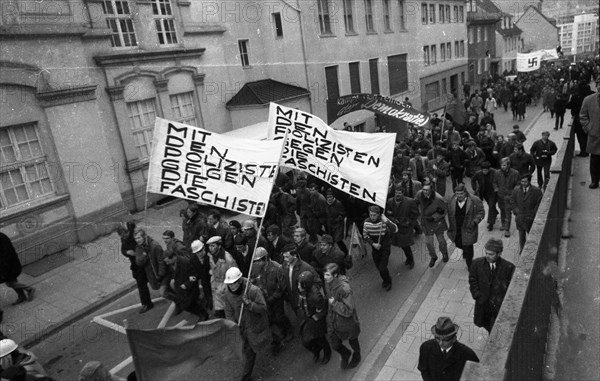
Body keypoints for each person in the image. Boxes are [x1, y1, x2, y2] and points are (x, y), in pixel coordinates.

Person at [223, 267, 270, 381]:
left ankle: (276, 342)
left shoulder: (253, 291)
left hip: (256, 323)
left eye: (234, 283)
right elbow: (228, 311)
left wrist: (249, 304)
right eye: (229, 284)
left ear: (239, 280)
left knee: (265, 338)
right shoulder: (227, 294)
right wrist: (232, 324)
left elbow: (263, 308)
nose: (232, 287)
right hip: (242, 327)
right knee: (249, 352)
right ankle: (246, 377)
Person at [250, 247, 292, 354]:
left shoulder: (277, 268)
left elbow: (281, 286)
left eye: (259, 261)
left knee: (280, 316)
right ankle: (281, 331)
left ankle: (289, 329)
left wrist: (273, 297)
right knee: (272, 317)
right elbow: (253, 280)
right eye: (256, 261)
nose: (257, 263)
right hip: (264, 297)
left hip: (276, 297)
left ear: (266, 258)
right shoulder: (254, 268)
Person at [468, 238, 515, 332]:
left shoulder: (508, 267)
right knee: (487, 325)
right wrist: (477, 295)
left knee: (497, 327)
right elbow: (472, 280)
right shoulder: (477, 264)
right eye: (486, 253)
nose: (487, 256)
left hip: (499, 305)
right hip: (484, 304)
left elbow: (512, 287)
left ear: (499, 254)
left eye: (491, 254)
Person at [324, 263, 361, 370]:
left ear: (335, 275)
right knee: (335, 344)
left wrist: (335, 303)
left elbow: (349, 310)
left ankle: (357, 355)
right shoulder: (328, 283)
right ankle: (346, 354)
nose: (325, 278)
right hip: (334, 320)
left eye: (327, 275)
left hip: (347, 322)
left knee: (353, 339)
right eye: (324, 275)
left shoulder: (344, 289)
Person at [417, 317, 479, 381]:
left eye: (445, 340)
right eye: (438, 338)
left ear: (454, 338)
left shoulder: (467, 355)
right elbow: (423, 369)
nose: (440, 343)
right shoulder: (426, 348)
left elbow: (476, 375)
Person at [446, 184, 485, 269]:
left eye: (461, 193)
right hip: (457, 228)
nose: (459, 196)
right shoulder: (451, 199)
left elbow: (481, 212)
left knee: (468, 247)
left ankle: (470, 264)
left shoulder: (475, 200)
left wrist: (474, 222)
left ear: (466, 193)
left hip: (468, 228)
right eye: (457, 193)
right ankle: (465, 251)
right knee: (459, 243)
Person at [297, 271, 331, 364]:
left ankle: (327, 353)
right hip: (308, 319)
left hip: (316, 322)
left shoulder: (315, 296)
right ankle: (316, 350)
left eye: (300, 284)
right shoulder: (303, 292)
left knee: (321, 338)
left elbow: (323, 308)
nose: (298, 287)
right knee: (306, 341)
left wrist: (316, 317)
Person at [162, 250, 206, 319]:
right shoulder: (172, 263)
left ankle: (203, 314)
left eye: (168, 261)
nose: (167, 263)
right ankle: (201, 314)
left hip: (190, 288)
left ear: (173, 257)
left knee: (187, 305)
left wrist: (186, 284)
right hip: (182, 288)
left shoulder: (185, 262)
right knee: (186, 305)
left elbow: (194, 275)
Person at [362, 206, 398, 291]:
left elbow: (395, 229)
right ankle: (385, 279)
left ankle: (388, 281)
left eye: (374, 215)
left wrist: (387, 221)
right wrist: (373, 244)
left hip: (385, 247)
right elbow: (365, 235)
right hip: (375, 248)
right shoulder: (366, 223)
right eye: (371, 215)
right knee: (379, 267)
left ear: (378, 215)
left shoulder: (384, 221)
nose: (372, 217)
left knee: (382, 267)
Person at [0, 232, 35, 315]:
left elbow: (3, 255)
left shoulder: (1, 238)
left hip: (8, 265)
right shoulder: (2, 235)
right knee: (12, 281)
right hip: (10, 264)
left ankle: (29, 289)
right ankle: (22, 296)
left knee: (10, 283)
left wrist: (2, 270)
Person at [415, 183, 449, 267]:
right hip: (426, 223)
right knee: (428, 242)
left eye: (427, 190)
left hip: (437, 223)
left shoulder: (438, 198)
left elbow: (445, 211)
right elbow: (415, 202)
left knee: (441, 240)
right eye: (423, 189)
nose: (424, 192)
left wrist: (434, 217)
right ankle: (433, 257)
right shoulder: (419, 194)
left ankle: (444, 253)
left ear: (431, 190)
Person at [385, 184, 419, 269]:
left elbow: (415, 214)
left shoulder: (410, 202)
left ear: (403, 193)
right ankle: (408, 259)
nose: (397, 194)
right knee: (402, 245)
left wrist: (409, 223)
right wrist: (392, 220)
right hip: (395, 228)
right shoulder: (390, 201)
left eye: (399, 193)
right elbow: (387, 214)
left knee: (406, 245)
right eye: (396, 192)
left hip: (405, 228)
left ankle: (411, 261)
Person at [133, 228, 166, 313]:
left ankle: (180, 302)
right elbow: (138, 262)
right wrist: (144, 254)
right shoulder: (139, 248)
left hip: (161, 274)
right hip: (152, 274)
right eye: (136, 238)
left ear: (144, 237)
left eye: (139, 238)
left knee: (164, 291)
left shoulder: (155, 246)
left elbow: (161, 261)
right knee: (164, 290)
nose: (137, 240)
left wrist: (161, 274)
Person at [282, 244, 319, 316]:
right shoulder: (285, 264)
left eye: (287, 257)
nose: (284, 259)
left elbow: (317, 283)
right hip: (292, 298)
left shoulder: (306, 268)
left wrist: (307, 295)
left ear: (294, 255)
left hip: (304, 300)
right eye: (284, 256)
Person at [511, 174, 543, 251]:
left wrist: (534, 214)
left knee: (532, 236)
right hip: (520, 217)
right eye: (522, 181)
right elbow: (512, 201)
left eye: (525, 182)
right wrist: (515, 210)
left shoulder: (536, 191)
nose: (523, 183)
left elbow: (539, 203)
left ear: (529, 181)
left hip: (530, 218)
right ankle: (522, 250)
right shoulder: (516, 190)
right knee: (521, 236)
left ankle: (534, 250)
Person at [206, 236, 236, 318]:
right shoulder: (211, 256)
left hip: (225, 287)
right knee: (218, 311)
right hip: (215, 286)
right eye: (209, 246)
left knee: (228, 311)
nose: (210, 248)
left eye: (213, 246)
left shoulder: (228, 259)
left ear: (219, 246)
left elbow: (234, 274)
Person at [579, 78, 600, 189]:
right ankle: (594, 181)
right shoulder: (588, 100)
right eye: (599, 84)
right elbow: (583, 116)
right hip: (595, 136)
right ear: (596, 86)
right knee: (595, 161)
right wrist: (589, 128)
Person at [494, 158, 521, 238]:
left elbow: (518, 184)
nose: (502, 167)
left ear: (509, 165)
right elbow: (494, 182)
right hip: (500, 195)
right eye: (501, 165)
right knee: (502, 209)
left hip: (509, 196)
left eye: (504, 165)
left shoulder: (515, 173)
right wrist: (496, 188)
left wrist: (514, 193)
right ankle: (503, 224)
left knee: (508, 212)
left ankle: (507, 229)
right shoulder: (497, 172)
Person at [471, 161, 499, 231]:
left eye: (486, 170)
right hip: (484, 193)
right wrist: (475, 188)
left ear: (489, 169)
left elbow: (500, 180)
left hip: (493, 192)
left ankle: (490, 223)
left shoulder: (495, 172)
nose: (484, 171)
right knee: (490, 205)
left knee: (491, 205)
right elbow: (473, 180)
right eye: (483, 170)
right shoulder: (479, 173)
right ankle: (494, 212)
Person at [188, 240, 213, 312]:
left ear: (204, 248)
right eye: (197, 252)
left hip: (212, 279)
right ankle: (209, 305)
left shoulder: (210, 256)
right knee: (207, 293)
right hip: (204, 281)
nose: (199, 254)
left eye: (200, 251)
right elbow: (193, 271)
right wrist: (193, 276)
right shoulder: (193, 260)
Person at [324, 189, 348, 255]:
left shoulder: (338, 203)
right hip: (330, 224)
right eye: (327, 197)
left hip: (338, 224)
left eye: (330, 197)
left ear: (333, 197)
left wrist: (337, 220)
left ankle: (345, 252)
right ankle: (331, 252)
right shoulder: (325, 203)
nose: (329, 199)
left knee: (338, 240)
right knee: (331, 240)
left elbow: (343, 214)